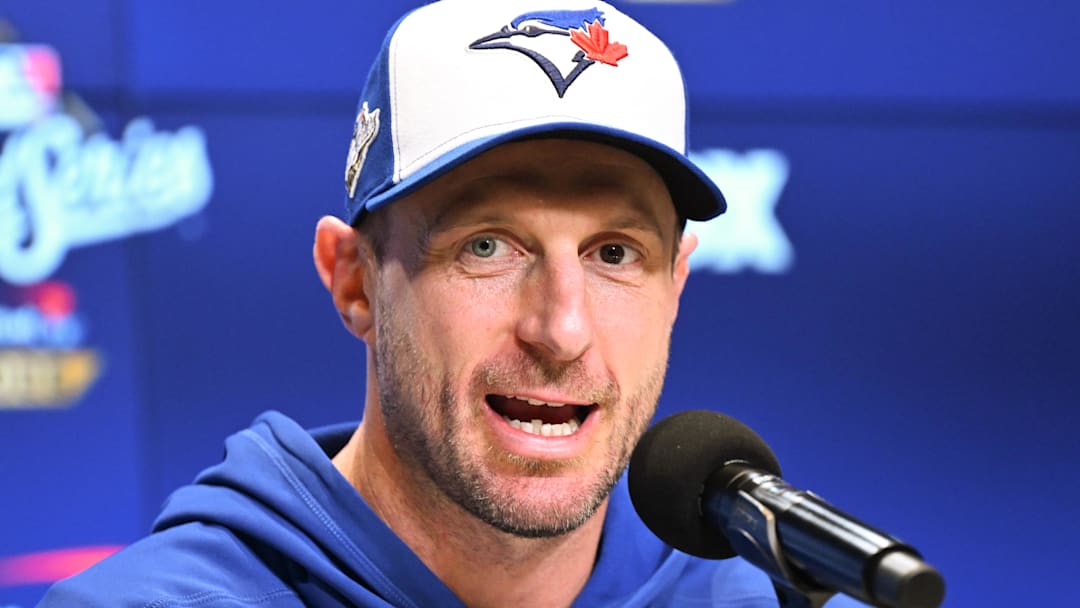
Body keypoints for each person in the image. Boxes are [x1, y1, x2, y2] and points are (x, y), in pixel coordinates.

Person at [40, 0, 849, 606]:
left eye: (614, 254)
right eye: (487, 247)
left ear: (676, 286)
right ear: (354, 280)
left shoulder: (765, 596)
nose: (561, 329)